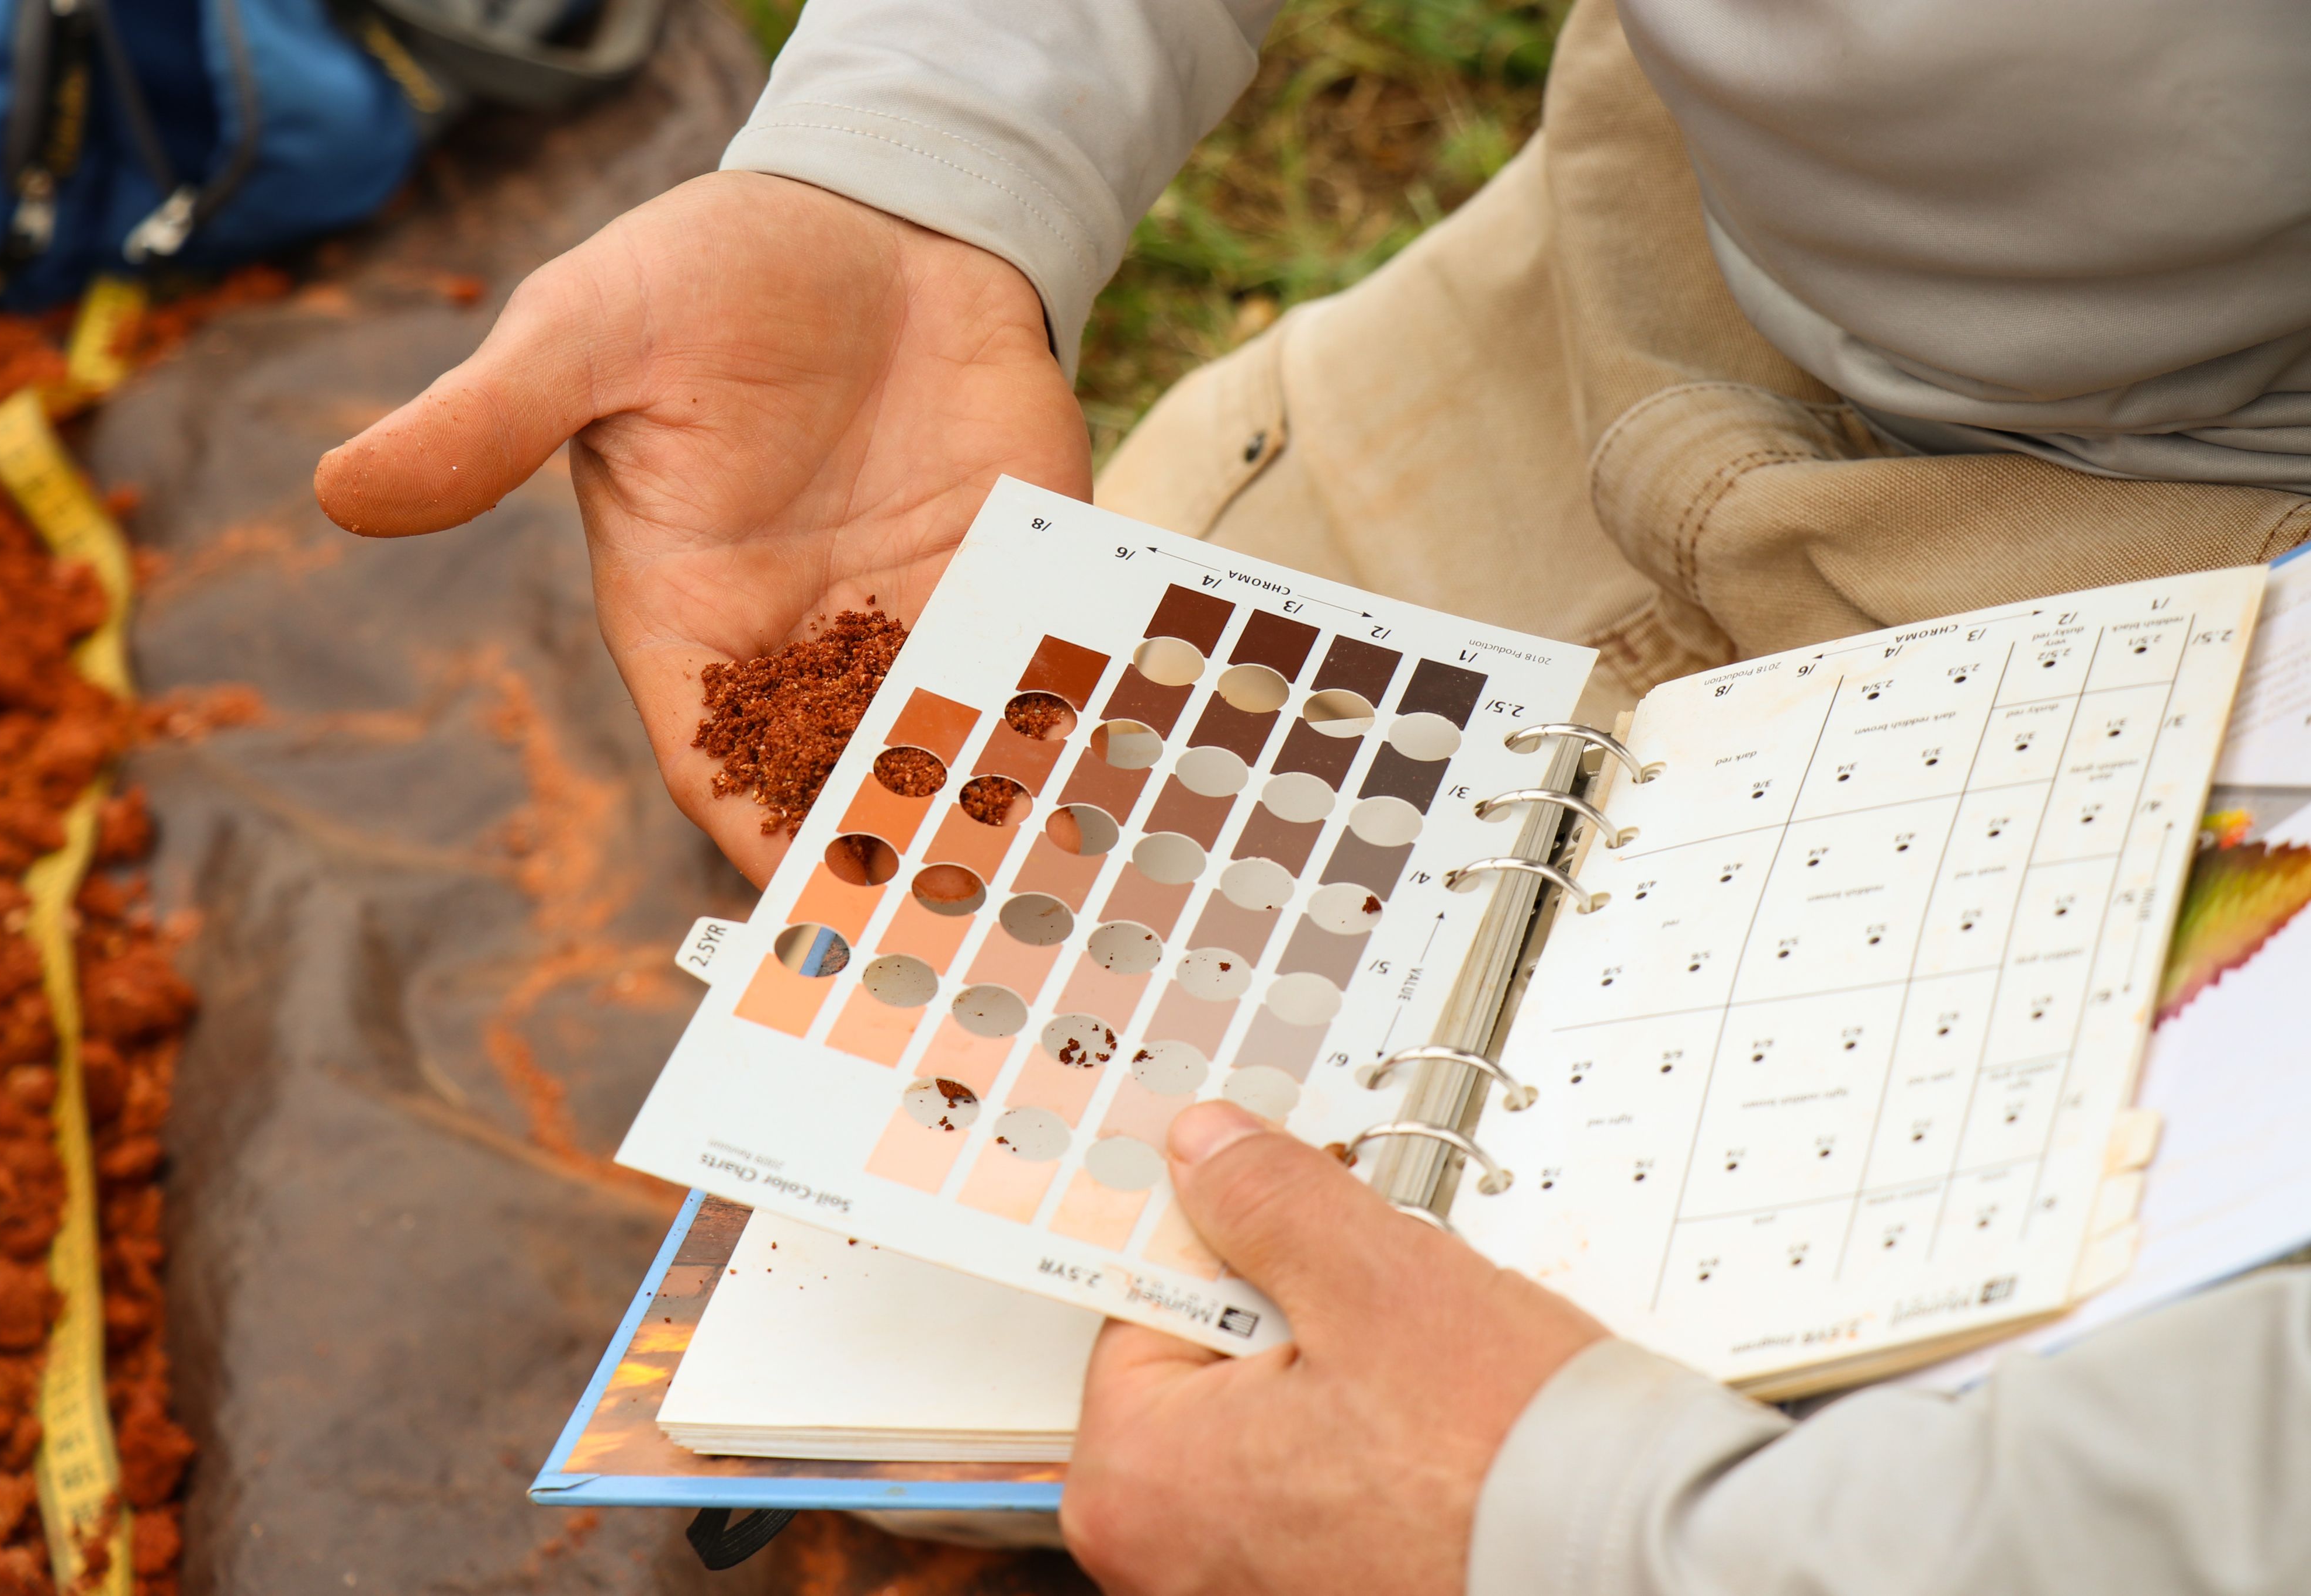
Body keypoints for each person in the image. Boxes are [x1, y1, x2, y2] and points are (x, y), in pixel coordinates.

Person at [315, 2, 2311, 1590]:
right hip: (1686, 271)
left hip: (2238, 532)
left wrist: (1618, 1530)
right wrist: (926, 156)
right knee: (984, 1342)